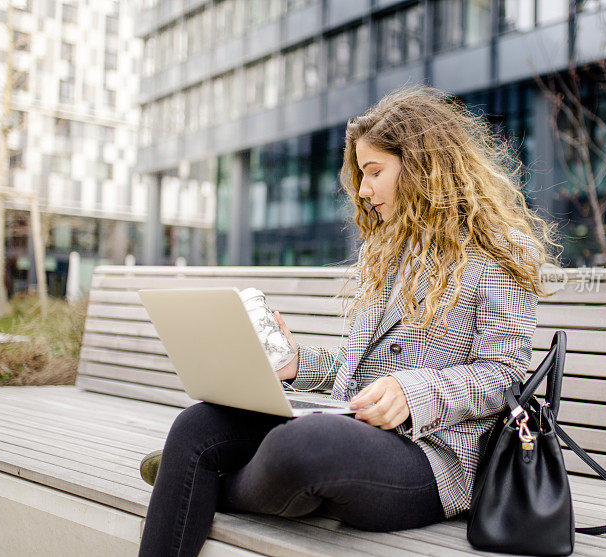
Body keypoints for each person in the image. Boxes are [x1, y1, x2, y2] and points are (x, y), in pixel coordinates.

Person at [137, 85, 561, 556]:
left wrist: (412, 392)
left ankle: (204, 483)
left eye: (374, 172)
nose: (363, 189)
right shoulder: (387, 250)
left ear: (422, 166)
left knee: (301, 446)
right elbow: (360, 370)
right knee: (197, 426)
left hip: (432, 458)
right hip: (353, 429)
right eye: (361, 174)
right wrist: (299, 365)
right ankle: (203, 474)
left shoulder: (497, 251)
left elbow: (505, 374)